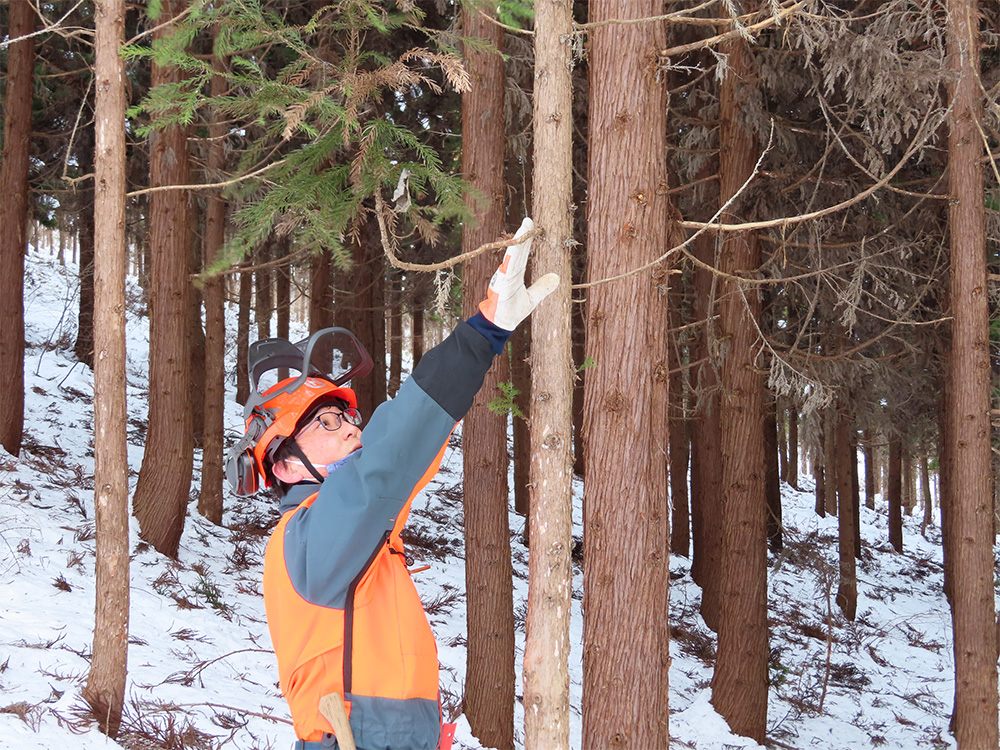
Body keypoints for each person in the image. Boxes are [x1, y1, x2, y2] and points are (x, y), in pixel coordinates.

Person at [225, 219, 558, 750]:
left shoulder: (361, 535)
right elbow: (388, 459)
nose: (351, 427)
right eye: (327, 424)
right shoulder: (306, 537)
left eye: (348, 418)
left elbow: (399, 462)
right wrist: (483, 334)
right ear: (285, 467)